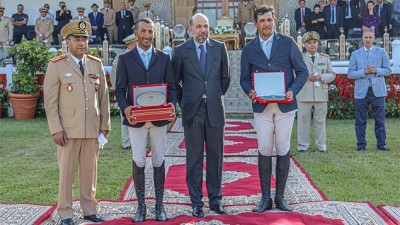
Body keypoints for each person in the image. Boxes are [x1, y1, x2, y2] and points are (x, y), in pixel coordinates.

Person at [240, 5, 308, 212]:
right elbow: (244, 79)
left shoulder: (287, 43)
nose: (266, 24)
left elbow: (302, 71)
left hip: (285, 106)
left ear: (274, 20)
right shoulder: (249, 49)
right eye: (262, 21)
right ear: (255, 24)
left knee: (283, 147)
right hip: (262, 107)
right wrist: (250, 91)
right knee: (264, 148)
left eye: (269, 20)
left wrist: (292, 91)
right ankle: (265, 198)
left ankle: (280, 197)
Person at [43, 20, 110, 225]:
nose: (82, 43)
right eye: (77, 39)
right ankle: (65, 213)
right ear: (68, 42)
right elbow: (50, 103)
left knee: (90, 173)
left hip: (91, 129)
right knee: (67, 174)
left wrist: (104, 127)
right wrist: (56, 129)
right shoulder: (57, 65)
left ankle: (89, 210)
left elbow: (104, 99)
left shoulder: (95, 64)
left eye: (85, 39)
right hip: (68, 131)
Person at [115, 18, 176, 223]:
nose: (148, 35)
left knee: (159, 159)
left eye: (150, 31)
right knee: (139, 159)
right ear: (136, 33)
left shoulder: (164, 58)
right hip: (137, 119)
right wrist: (125, 108)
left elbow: (172, 87)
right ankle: (141, 206)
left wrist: (172, 104)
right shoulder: (125, 59)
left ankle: (159, 206)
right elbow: (120, 90)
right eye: (144, 31)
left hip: (159, 119)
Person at [172, 13, 230, 218]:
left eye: (205, 26)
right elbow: (175, 82)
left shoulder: (219, 48)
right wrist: (186, 102)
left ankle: (216, 200)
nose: (203, 30)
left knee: (216, 157)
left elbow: (225, 78)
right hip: (193, 111)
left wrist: (213, 96)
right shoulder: (180, 52)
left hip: (214, 109)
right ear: (190, 29)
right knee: (194, 159)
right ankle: (196, 202)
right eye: (198, 27)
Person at [347, 28, 391, 152]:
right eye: (365, 37)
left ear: (374, 39)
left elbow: (388, 70)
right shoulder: (356, 54)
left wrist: (376, 70)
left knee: (380, 120)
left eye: (370, 37)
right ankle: (361, 145)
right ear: (362, 39)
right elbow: (350, 74)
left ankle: (381, 144)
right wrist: (364, 72)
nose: (367, 39)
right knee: (360, 120)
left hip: (378, 91)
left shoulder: (381, 52)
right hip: (361, 92)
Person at [297, 31, 335, 153]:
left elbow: (332, 74)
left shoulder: (324, 58)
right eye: (309, 43)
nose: (312, 45)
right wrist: (306, 76)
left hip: (320, 94)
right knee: (303, 121)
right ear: (304, 45)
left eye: (314, 42)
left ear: (318, 44)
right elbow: (295, 74)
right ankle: (303, 145)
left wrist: (321, 77)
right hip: (304, 94)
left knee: (320, 121)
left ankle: (321, 146)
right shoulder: (300, 59)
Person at [110, 33, 137, 150]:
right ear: (130, 44)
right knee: (125, 117)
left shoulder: (138, 55)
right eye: (135, 43)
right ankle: (126, 142)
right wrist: (118, 91)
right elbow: (114, 76)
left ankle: (137, 141)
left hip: (138, 92)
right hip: (126, 91)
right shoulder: (121, 56)